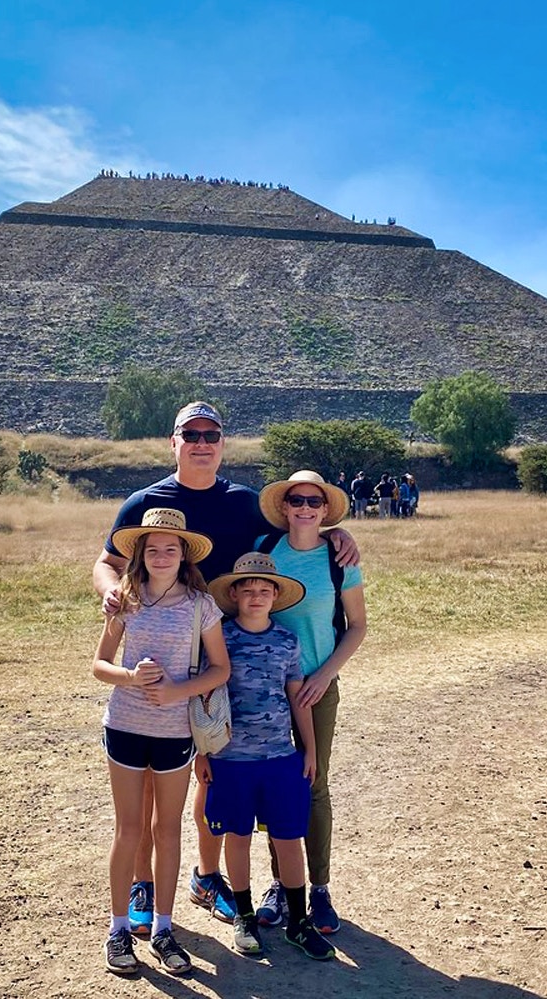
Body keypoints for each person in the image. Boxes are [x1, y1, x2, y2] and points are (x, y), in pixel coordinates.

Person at [92, 402, 360, 936]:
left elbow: (293, 528)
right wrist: (113, 597)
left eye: (210, 434)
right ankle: (154, 881)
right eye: (190, 434)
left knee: (220, 774)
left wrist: (336, 534)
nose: (201, 442)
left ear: (222, 443)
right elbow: (108, 564)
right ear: (173, 442)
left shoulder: (243, 504)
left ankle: (225, 879)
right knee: (161, 784)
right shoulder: (144, 503)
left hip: (230, 663)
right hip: (165, 662)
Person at [93, 508, 230, 976]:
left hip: (174, 732)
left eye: (171, 548)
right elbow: (99, 665)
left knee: (167, 829)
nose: (161, 555)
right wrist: (130, 678)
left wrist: (176, 691)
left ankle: (165, 929)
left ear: (184, 555)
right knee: (128, 830)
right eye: (152, 548)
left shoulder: (200, 604)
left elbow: (220, 669)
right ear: (140, 555)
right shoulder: (124, 599)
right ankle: (117, 931)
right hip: (125, 727)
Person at [249, 470, 368, 935]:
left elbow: (357, 625)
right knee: (273, 786)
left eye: (314, 502)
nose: (304, 508)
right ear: (284, 507)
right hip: (265, 688)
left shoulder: (340, 559)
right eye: (296, 500)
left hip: (317, 687)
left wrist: (324, 675)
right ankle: (280, 885)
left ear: (325, 509)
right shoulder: (264, 549)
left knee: (314, 785)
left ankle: (319, 889)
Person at [201, 552, 335, 961]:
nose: (256, 596)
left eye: (265, 590)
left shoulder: (286, 641)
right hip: (229, 758)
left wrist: (309, 748)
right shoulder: (218, 639)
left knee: (288, 839)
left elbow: (298, 698)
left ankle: (298, 921)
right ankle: (243, 915)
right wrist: (201, 754)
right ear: (235, 594)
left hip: (280, 757)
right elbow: (203, 698)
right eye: (248, 590)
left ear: (276, 596)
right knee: (237, 837)